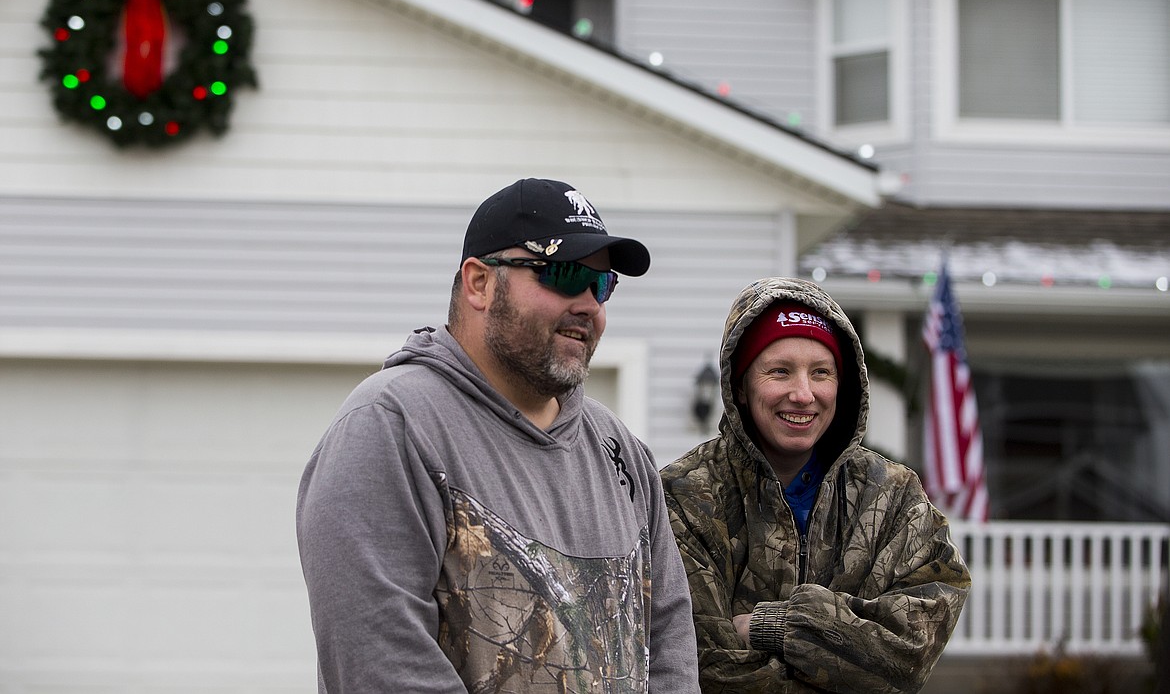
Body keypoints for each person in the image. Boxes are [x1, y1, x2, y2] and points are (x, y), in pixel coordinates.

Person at [296, 178, 701, 694]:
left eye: (601, 285)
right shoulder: (392, 427)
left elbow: (668, 639)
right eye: (563, 273)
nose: (589, 305)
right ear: (479, 283)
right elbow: (382, 664)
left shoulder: (620, 451)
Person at [660, 276, 971, 693]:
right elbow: (705, 663)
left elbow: (910, 649)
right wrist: (846, 659)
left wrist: (778, 627)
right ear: (741, 387)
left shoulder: (893, 497)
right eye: (780, 371)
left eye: (820, 372)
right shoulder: (683, 496)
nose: (803, 394)